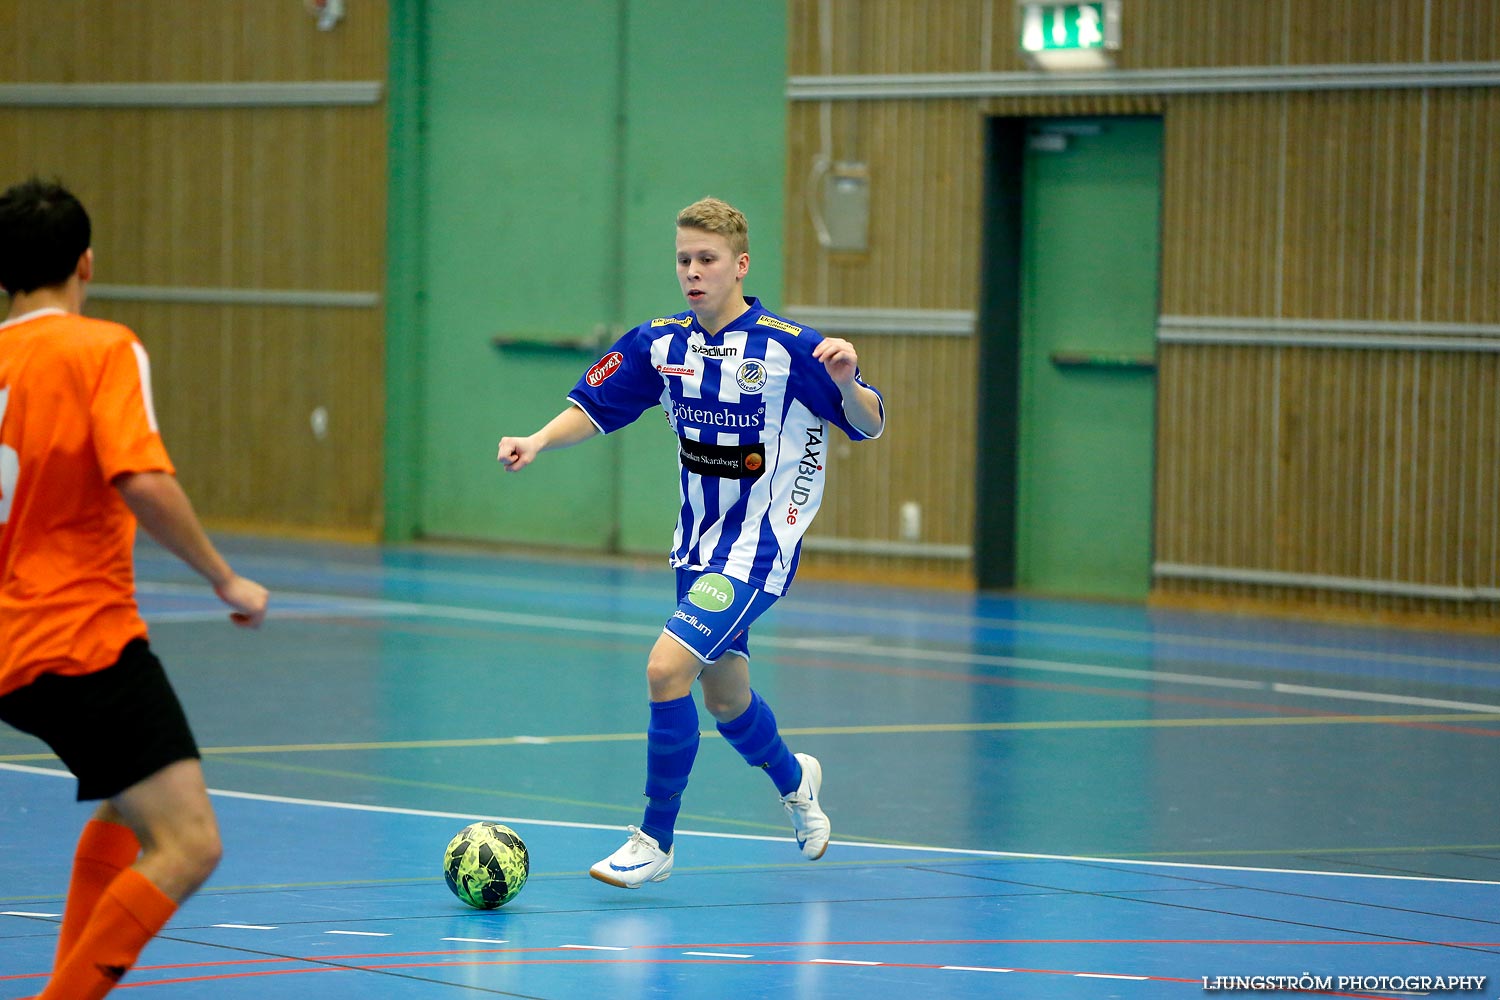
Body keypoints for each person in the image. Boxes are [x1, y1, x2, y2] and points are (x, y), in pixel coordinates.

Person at [497, 196, 885, 888]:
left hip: (757, 551)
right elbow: (594, 408)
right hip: (696, 549)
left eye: (707, 260)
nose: (693, 272)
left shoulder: (790, 347)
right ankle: (798, 784)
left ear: (740, 266)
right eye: (684, 259)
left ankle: (655, 838)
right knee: (726, 698)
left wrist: (851, 380)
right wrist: (537, 440)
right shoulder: (660, 343)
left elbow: (869, 424)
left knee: (664, 669)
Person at [0, 177, 269, 999]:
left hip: (14, 641)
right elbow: (140, 478)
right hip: (76, 635)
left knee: (131, 806)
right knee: (190, 843)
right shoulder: (100, 348)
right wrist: (225, 577)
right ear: (86, 263)